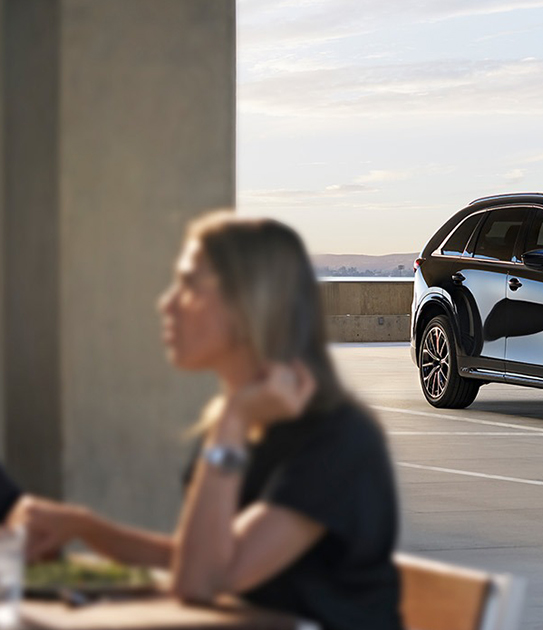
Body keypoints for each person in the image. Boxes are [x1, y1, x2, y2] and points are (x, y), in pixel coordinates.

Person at [11, 211, 402, 630]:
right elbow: (200, 558)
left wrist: (232, 420)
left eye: (188, 284)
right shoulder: (243, 424)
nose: (167, 304)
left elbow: (201, 580)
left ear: (249, 302)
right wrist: (84, 527)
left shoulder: (338, 440)